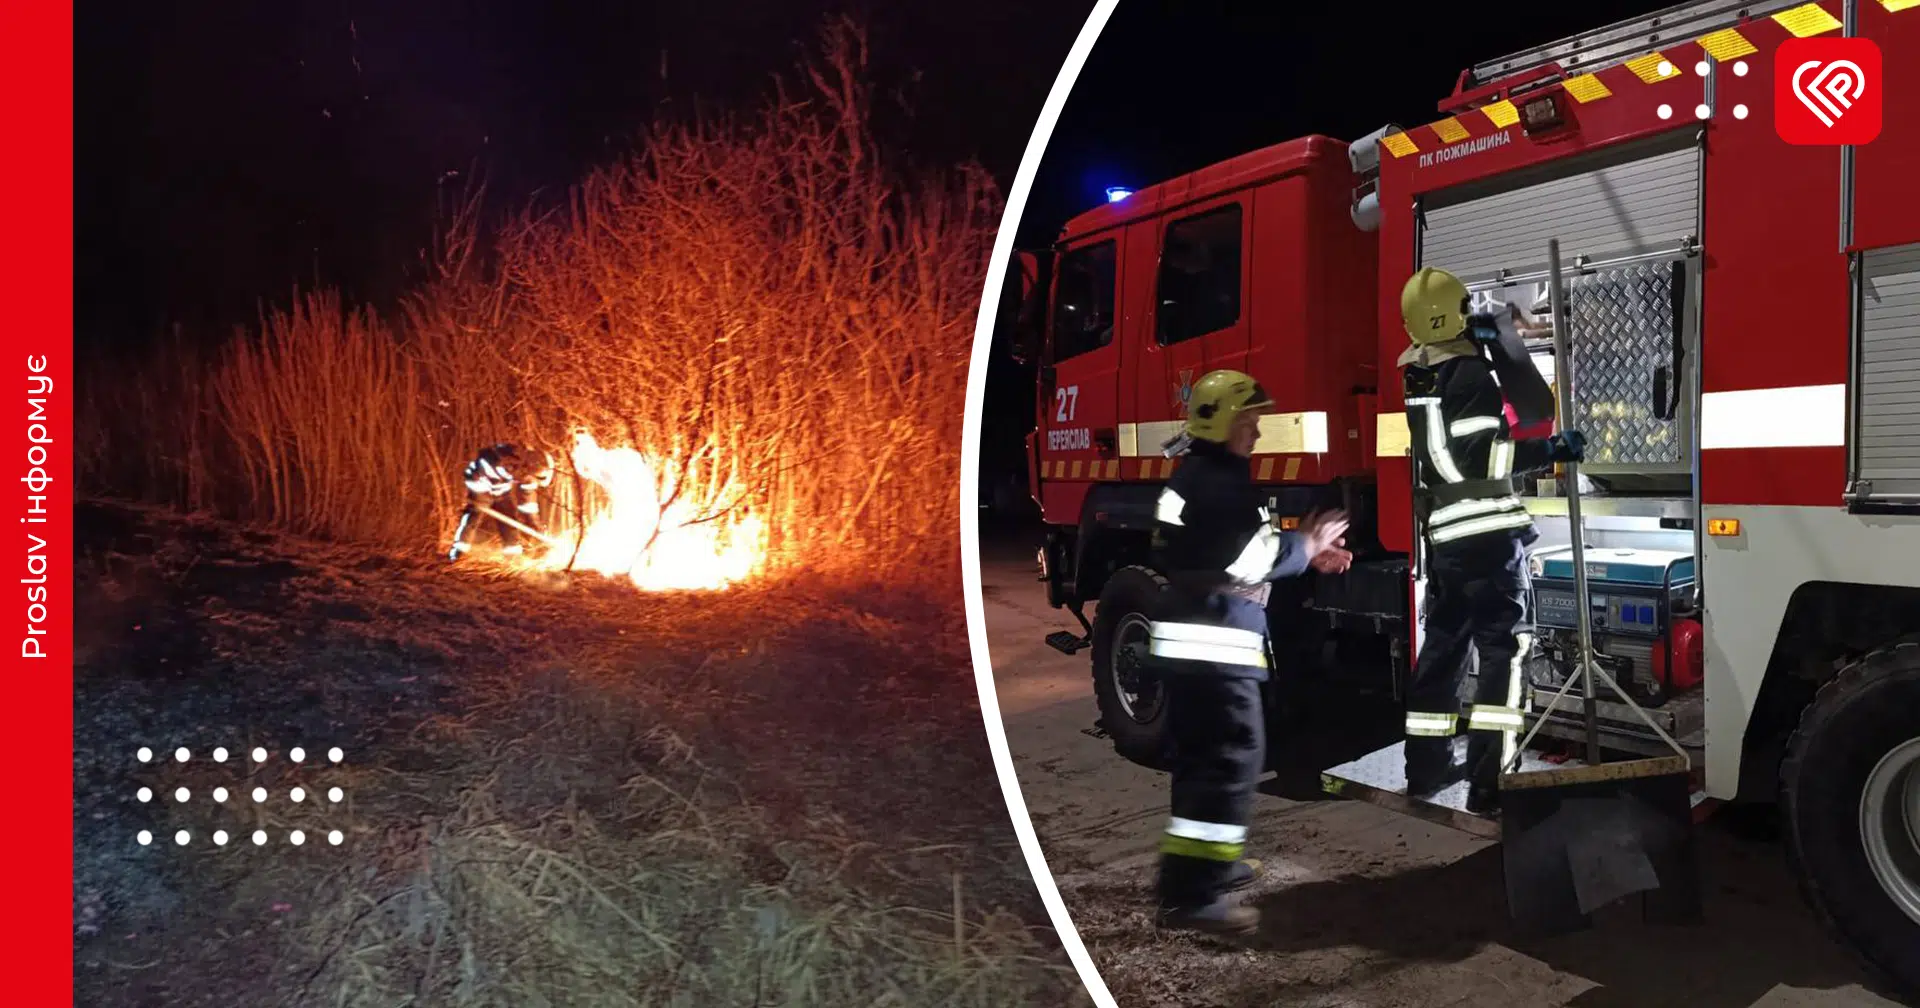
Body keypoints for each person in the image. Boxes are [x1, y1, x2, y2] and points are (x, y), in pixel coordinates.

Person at [1147, 369, 1353, 936]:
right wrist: (1305, 544)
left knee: (1203, 761)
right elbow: (1245, 560)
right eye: (1249, 422)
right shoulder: (1220, 484)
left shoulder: (1197, 476)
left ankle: (1201, 871)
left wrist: (1301, 556)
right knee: (1231, 758)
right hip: (1213, 647)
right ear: (1222, 423)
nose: (1257, 433)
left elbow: (1219, 553)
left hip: (1193, 642)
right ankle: (1194, 900)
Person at [1396, 267, 1587, 815]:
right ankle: (1490, 782)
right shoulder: (1470, 376)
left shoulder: (1419, 375)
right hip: (1487, 538)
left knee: (1443, 650)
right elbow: (1483, 457)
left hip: (1448, 538)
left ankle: (1426, 768)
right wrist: (1549, 449)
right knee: (1505, 654)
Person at [448, 442, 554, 562]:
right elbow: (475, 471)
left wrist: (537, 527)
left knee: (509, 519)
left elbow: (528, 505)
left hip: (501, 490)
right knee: (473, 517)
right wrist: (480, 497)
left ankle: (513, 558)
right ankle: (457, 553)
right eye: (535, 478)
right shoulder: (503, 460)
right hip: (480, 485)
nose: (533, 481)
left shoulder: (526, 472)